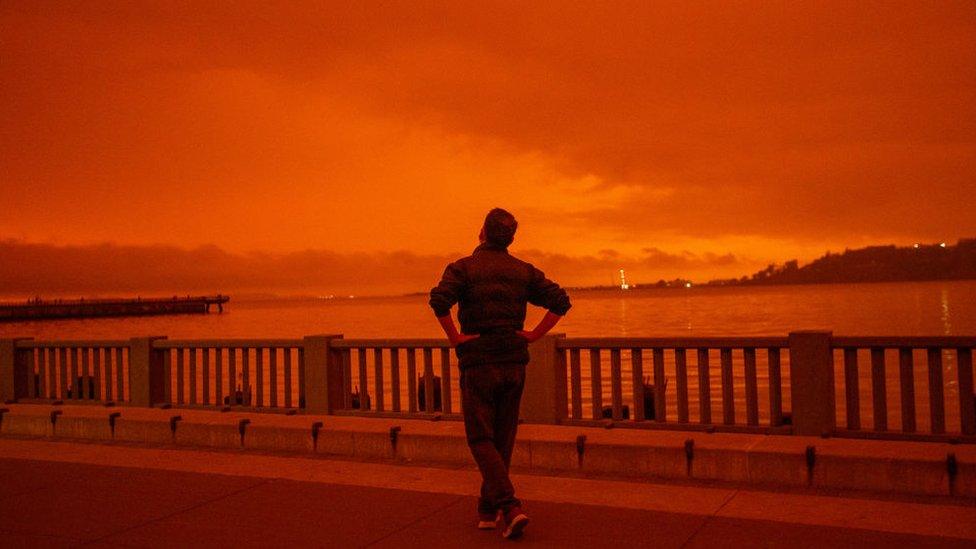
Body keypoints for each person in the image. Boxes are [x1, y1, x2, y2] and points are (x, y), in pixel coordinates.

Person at [429, 208, 571, 539]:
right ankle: (487, 509)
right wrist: (534, 335)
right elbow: (561, 302)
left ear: (482, 233)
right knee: (503, 437)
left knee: (480, 437)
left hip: (479, 362)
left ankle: (510, 507)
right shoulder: (522, 271)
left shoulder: (462, 268)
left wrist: (456, 337)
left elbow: (439, 302)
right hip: (513, 361)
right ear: (510, 238)